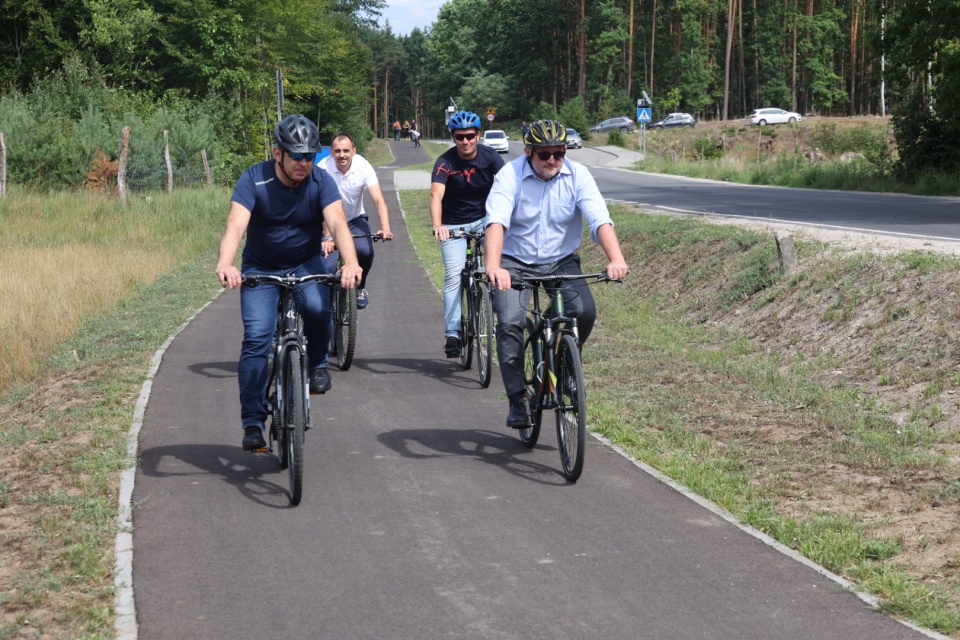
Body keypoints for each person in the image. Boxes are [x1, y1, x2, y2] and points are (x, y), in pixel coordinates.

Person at [216, 114, 362, 451]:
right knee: (256, 338)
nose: (304, 163)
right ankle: (253, 421)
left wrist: (351, 262)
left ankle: (317, 365)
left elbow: (339, 224)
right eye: (296, 155)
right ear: (277, 152)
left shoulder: (321, 181)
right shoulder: (254, 179)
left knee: (317, 305)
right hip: (261, 267)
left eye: (310, 156)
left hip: (304, 263)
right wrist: (226, 262)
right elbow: (235, 227)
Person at [484, 119, 629, 428]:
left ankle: (562, 370)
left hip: (561, 260)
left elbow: (598, 218)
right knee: (509, 323)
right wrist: (494, 266)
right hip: (514, 260)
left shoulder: (578, 175)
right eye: (544, 154)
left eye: (559, 153)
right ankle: (517, 399)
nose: (552, 160)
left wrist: (616, 258)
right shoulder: (510, 175)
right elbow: (496, 221)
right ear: (528, 152)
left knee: (583, 310)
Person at [430, 110, 506, 357]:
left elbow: (508, 186)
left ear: (478, 135)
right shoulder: (445, 162)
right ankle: (453, 334)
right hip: (453, 224)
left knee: (501, 262)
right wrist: (438, 224)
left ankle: (499, 306)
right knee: (453, 275)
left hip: (486, 219)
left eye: (470, 136)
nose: (465, 141)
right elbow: (436, 195)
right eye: (459, 137)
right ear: (452, 137)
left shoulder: (490, 156)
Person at [318, 132, 394, 309]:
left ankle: (360, 287)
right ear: (331, 152)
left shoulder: (363, 166)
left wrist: (385, 227)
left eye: (346, 150)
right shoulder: (322, 168)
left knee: (365, 251)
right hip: (326, 221)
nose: (341, 155)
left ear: (354, 151)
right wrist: (328, 236)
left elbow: (378, 199)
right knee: (327, 264)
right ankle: (326, 305)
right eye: (337, 151)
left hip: (354, 219)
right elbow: (319, 203)